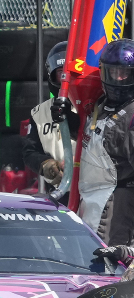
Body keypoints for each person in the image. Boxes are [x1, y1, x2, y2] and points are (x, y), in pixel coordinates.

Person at [78, 39, 134, 246]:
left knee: (110, 264)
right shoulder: (99, 106)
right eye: (113, 72)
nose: (118, 79)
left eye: (125, 73)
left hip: (118, 201)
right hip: (91, 198)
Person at [24, 41, 75, 189]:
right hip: (58, 189)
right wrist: (48, 165)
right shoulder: (39, 113)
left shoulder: (93, 106)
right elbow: (29, 152)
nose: (65, 78)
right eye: (61, 73)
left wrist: (78, 162)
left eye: (69, 72)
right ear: (52, 75)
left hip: (91, 191)